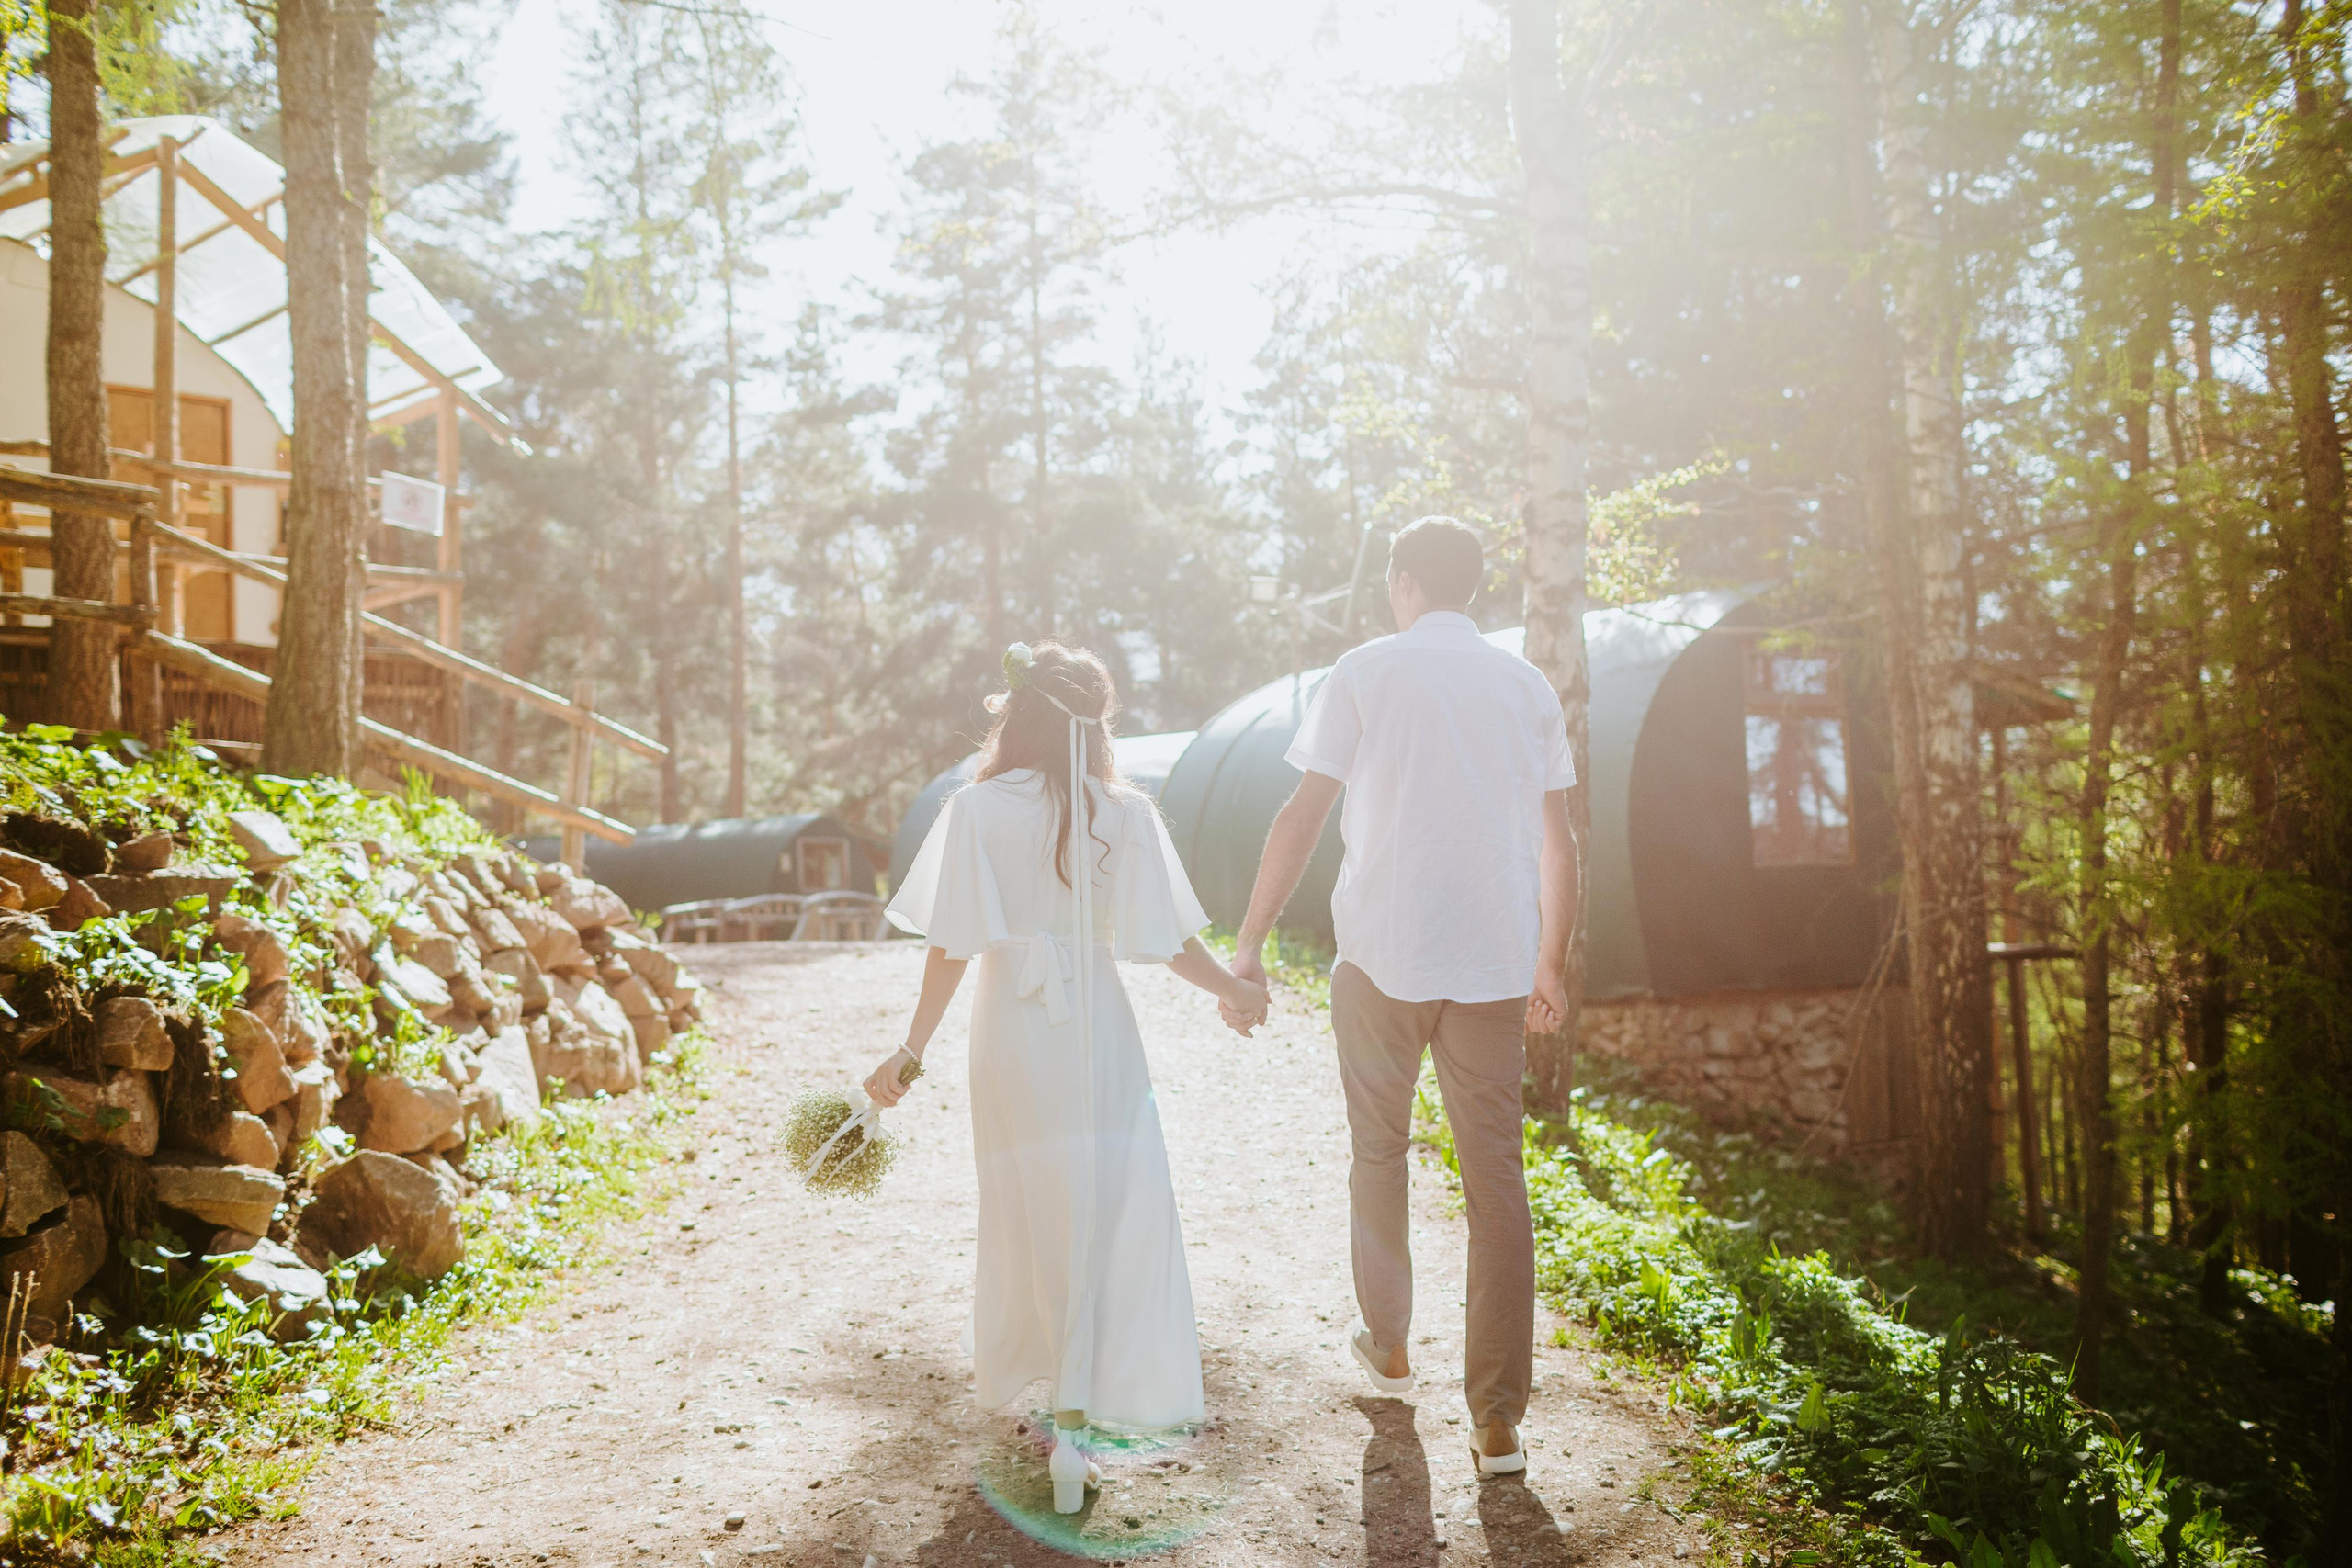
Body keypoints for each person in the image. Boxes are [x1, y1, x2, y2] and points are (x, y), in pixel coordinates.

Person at [865, 641, 1269, 1515]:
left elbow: (951, 942)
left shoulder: (975, 807)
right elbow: (1168, 941)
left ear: (1022, 715)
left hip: (1011, 1024)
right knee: (1103, 1208)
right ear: (1096, 721)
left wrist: (910, 1048)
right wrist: (1235, 989)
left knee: (1031, 1207)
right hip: (1098, 1027)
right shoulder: (1124, 811)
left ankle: (1061, 1408)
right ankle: (1078, 1424)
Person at [1223, 515, 1579, 1478]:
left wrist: (1249, 945)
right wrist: (1548, 964)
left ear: (1406, 581)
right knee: (1496, 1182)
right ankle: (1498, 1420)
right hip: (1493, 970)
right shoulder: (1524, 686)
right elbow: (1559, 844)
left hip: (1380, 957)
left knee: (1378, 1152)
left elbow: (1302, 815)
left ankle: (1386, 1341)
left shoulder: (1365, 670)